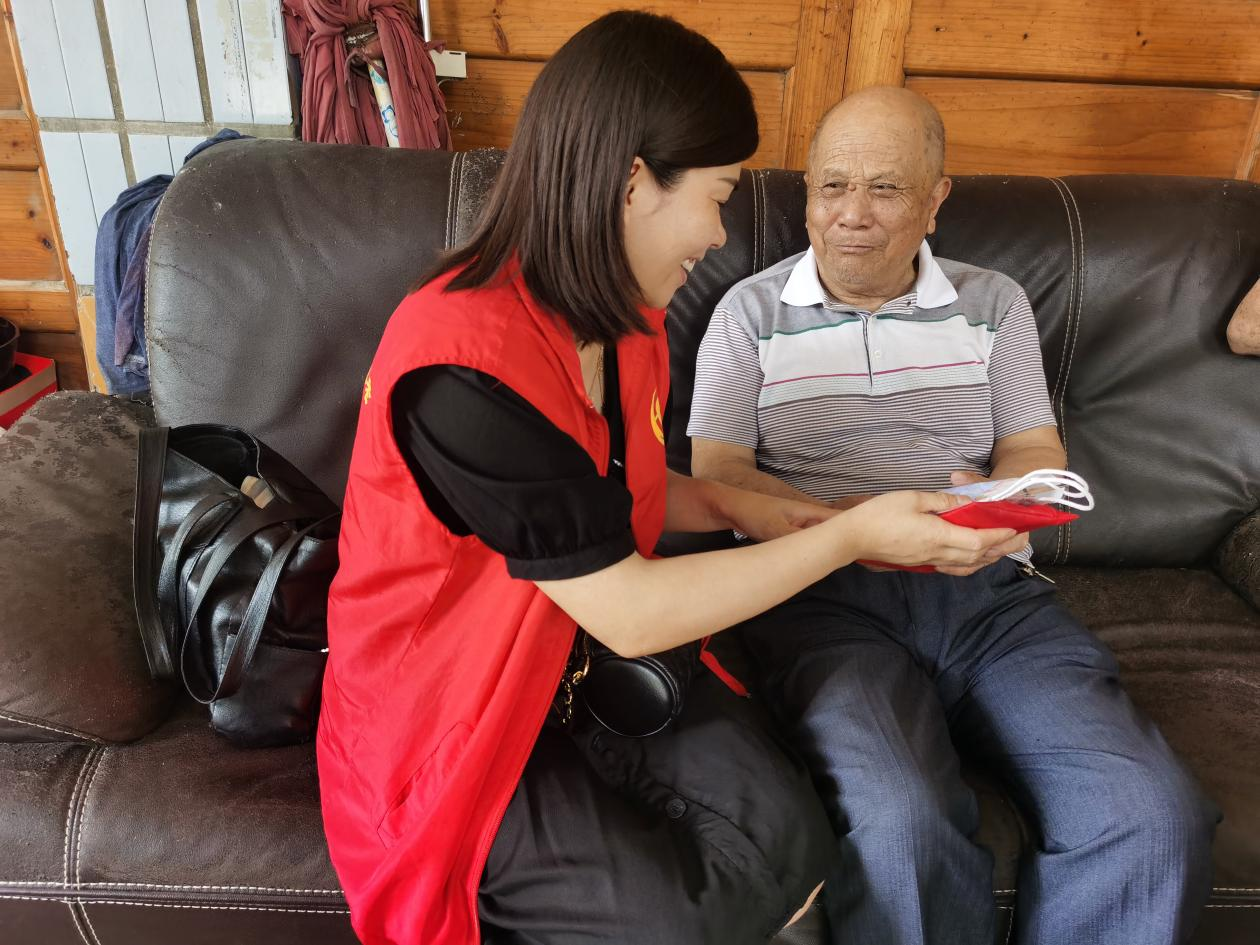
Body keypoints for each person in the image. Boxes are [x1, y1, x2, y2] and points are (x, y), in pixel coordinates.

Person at [317, 20, 1027, 945]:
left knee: (793, 842)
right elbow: (630, 608)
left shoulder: (620, 316)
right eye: (718, 195)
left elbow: (611, 490)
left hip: (578, 657)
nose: (722, 233)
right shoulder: (463, 367)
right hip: (458, 700)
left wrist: (741, 504)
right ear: (631, 183)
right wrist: (849, 535)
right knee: (685, 916)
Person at [688, 85, 1220, 945]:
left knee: (1152, 813)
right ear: (808, 193)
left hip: (987, 596)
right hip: (821, 597)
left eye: (886, 188)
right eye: (832, 186)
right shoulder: (747, 313)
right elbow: (718, 477)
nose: (851, 214)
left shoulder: (994, 302)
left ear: (936, 199)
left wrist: (1006, 504)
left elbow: (1032, 449)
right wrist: (850, 527)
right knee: (899, 824)